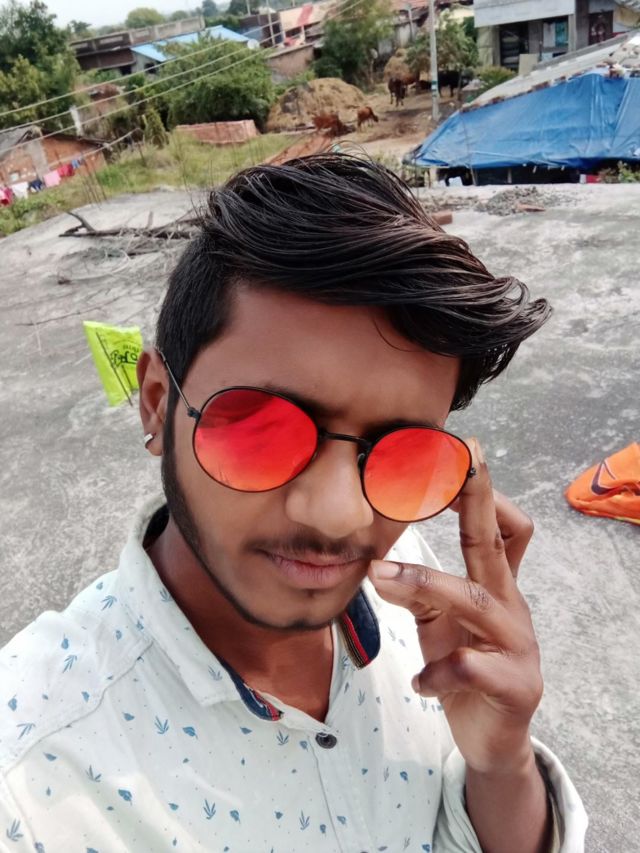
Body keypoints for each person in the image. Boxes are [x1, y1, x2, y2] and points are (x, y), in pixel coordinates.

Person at [0, 154, 587, 852]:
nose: (341, 516)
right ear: (157, 402)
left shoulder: (416, 597)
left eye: (398, 451)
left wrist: (500, 762)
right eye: (263, 428)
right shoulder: (30, 780)